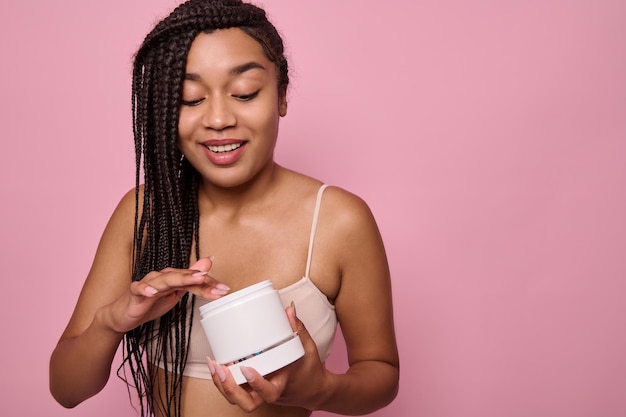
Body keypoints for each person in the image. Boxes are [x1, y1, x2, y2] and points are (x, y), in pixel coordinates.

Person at [49, 0, 399, 416]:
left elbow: (381, 373)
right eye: (189, 99)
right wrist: (114, 321)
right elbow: (66, 389)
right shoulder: (145, 213)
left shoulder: (340, 220)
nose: (218, 119)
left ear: (281, 95)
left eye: (244, 93)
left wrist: (319, 390)